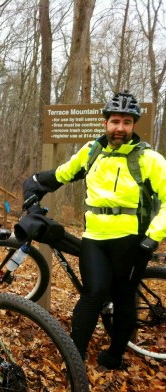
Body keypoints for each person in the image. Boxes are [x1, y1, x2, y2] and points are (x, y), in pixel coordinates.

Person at [22, 91, 166, 369]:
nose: (120, 128)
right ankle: (74, 358)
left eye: (126, 122)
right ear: (105, 123)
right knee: (93, 294)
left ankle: (114, 356)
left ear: (134, 124)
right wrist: (34, 186)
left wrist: (154, 236)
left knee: (124, 297)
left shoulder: (150, 159)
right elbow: (62, 174)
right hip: (95, 239)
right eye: (115, 121)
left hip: (133, 241)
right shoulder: (92, 152)